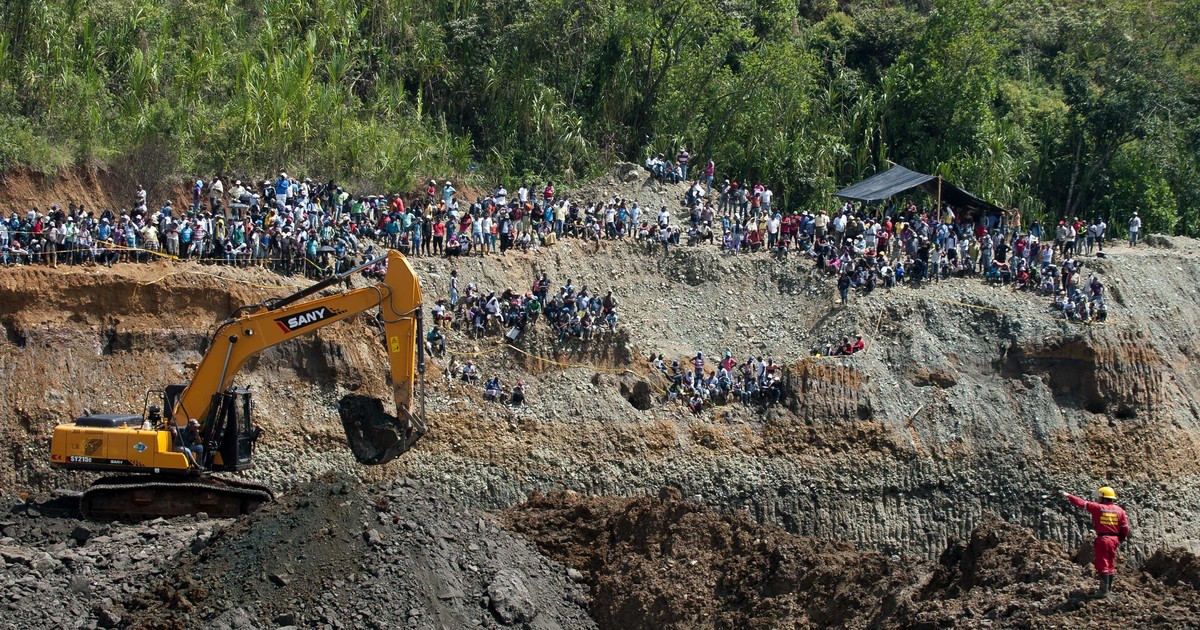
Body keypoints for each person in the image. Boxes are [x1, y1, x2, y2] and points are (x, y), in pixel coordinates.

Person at [1060, 486, 1131, 597]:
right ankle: (1108, 589)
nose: (1098, 499)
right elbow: (1125, 528)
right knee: (1111, 563)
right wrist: (1119, 539)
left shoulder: (1098, 508)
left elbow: (1082, 503)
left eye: (1099, 497)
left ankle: (1103, 591)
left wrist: (1068, 495)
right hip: (1114, 539)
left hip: (1103, 539)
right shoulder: (1120, 510)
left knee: (1102, 563)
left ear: (1103, 497)